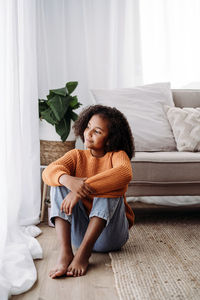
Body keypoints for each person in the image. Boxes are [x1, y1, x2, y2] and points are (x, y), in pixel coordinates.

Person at [42, 104, 135, 278]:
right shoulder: (76, 156)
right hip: (78, 235)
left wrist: (79, 190)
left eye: (97, 131)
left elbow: (124, 173)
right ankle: (65, 252)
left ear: (110, 138)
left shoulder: (117, 155)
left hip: (110, 236)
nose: (88, 133)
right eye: (88, 127)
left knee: (111, 184)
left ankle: (84, 254)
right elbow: (48, 172)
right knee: (58, 180)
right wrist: (68, 181)